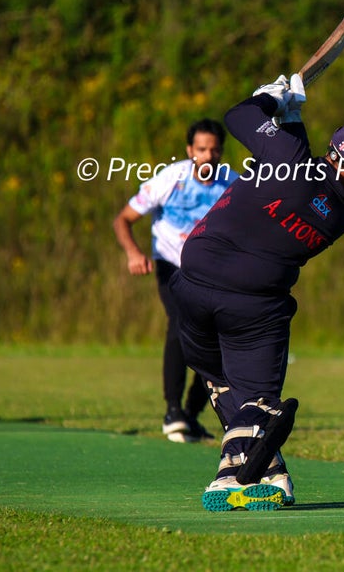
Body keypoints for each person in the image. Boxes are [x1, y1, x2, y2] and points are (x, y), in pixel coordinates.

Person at [169, 74, 344, 511]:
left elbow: (239, 116)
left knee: (222, 382)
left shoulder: (287, 158)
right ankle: (228, 477)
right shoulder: (341, 215)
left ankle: (271, 472)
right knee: (259, 401)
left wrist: (269, 100)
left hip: (192, 285)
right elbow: (303, 173)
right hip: (252, 306)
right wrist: (290, 118)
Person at [113, 118, 238, 443]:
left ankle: (191, 415)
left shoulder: (232, 184)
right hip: (172, 265)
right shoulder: (170, 179)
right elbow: (123, 219)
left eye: (214, 150)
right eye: (201, 149)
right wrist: (133, 253)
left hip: (210, 272)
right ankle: (172, 411)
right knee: (180, 324)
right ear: (189, 150)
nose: (208, 156)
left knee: (217, 339)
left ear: (221, 152)